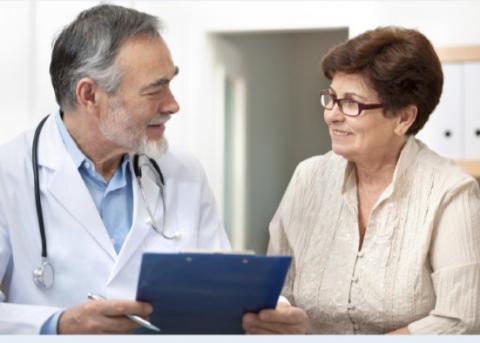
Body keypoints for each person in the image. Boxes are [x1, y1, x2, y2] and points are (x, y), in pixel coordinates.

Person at [0, 4, 229, 334]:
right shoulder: (9, 175)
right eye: (155, 89)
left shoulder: (183, 173)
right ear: (89, 95)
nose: (173, 104)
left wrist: (267, 312)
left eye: (171, 83)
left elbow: (221, 289)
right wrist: (58, 324)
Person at [243, 26, 480, 334]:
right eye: (331, 98)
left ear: (403, 118)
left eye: (351, 103)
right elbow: (278, 288)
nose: (332, 115)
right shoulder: (308, 178)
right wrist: (281, 314)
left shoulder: (451, 192)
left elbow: (460, 319)